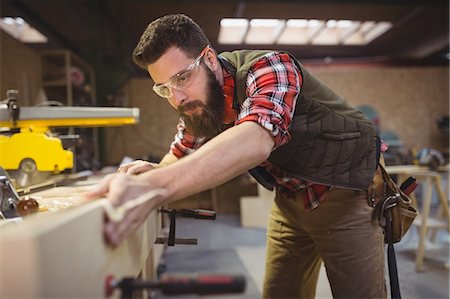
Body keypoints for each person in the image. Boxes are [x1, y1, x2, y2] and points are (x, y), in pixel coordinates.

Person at [85, 14, 386, 298]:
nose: (177, 98)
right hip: (291, 200)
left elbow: (257, 137)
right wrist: (147, 174)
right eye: (164, 89)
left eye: (182, 78)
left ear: (210, 59)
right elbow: (177, 158)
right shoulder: (199, 105)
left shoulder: (270, 67)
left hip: (346, 194)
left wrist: (157, 185)